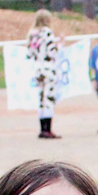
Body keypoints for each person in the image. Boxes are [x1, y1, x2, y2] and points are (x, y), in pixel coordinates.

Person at [27, 11, 64, 140]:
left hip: (37, 69)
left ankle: (42, 128)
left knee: (41, 99)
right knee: (48, 98)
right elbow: (52, 52)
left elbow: (29, 53)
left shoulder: (32, 34)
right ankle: (48, 129)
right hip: (48, 69)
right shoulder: (47, 33)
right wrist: (61, 44)